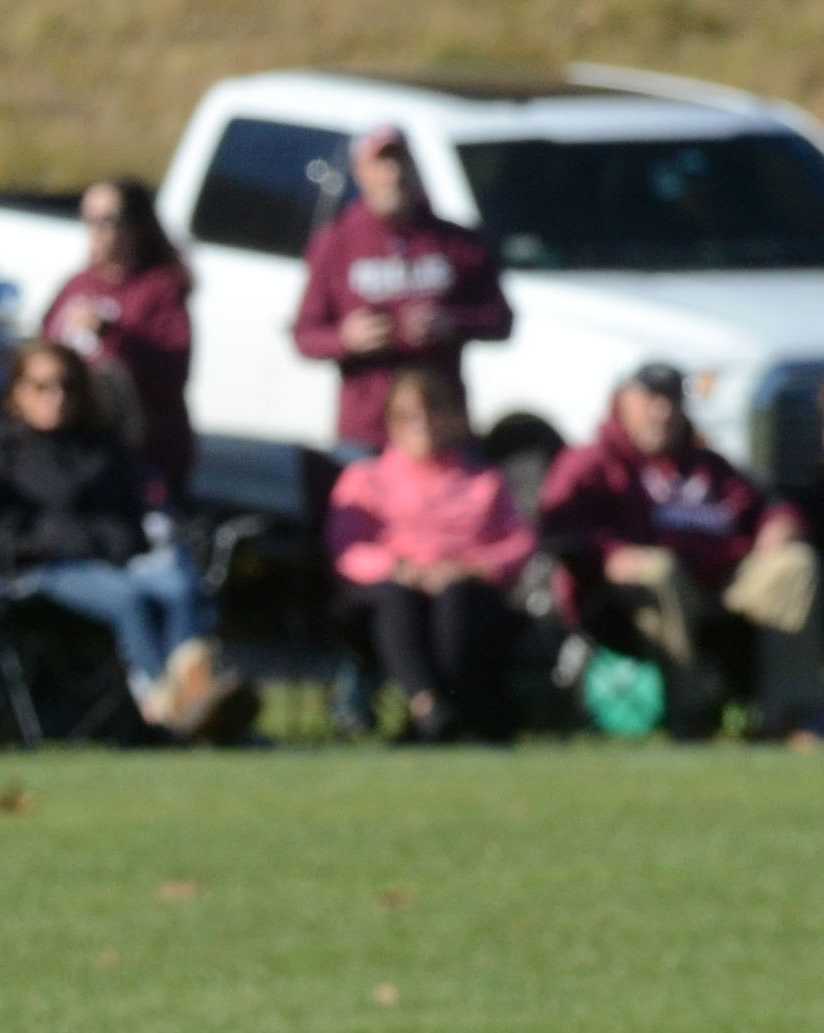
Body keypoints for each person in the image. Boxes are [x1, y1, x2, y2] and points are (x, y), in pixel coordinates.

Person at [0, 339, 241, 739]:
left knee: (178, 585)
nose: (56, 398)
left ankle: (197, 691)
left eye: (67, 385)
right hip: (44, 570)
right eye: (41, 387)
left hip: (116, 562)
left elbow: (129, 520)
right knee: (128, 598)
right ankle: (165, 704)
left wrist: (113, 545)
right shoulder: (0, 459)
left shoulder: (103, 449)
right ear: (17, 392)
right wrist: (65, 543)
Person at [538, 362, 822, 740]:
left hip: (720, 581)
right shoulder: (592, 463)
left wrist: (780, 523)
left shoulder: (706, 465)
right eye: (652, 400)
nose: (663, 412)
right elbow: (560, 528)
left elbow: (763, 505)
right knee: (660, 568)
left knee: (795, 564)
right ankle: (690, 716)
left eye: (672, 401)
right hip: (634, 593)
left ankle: (787, 717)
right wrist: (609, 555)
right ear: (623, 402)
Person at [323, 370, 532, 742]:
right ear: (390, 422)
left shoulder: (484, 480)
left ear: (454, 417)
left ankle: (448, 709)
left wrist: (474, 567)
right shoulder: (365, 478)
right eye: (408, 415)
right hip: (390, 590)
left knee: (456, 599)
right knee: (396, 600)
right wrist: (399, 568)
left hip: (465, 588)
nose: (423, 424)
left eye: (433, 411)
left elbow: (519, 542)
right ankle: (429, 706)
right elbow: (346, 548)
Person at [293, 126, 512, 459]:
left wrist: (451, 323)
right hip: (366, 432)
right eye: (380, 164)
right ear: (359, 173)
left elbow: (501, 319)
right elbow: (305, 334)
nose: (392, 175)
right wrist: (346, 339)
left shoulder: (456, 242)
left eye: (400, 162)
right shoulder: (336, 243)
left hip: (442, 427)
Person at [41, 177, 194, 497]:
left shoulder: (159, 289)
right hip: (74, 450)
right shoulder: (78, 285)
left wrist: (112, 335)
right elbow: (43, 352)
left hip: (137, 454)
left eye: (106, 221)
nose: (95, 230)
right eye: (87, 219)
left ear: (136, 227)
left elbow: (173, 368)